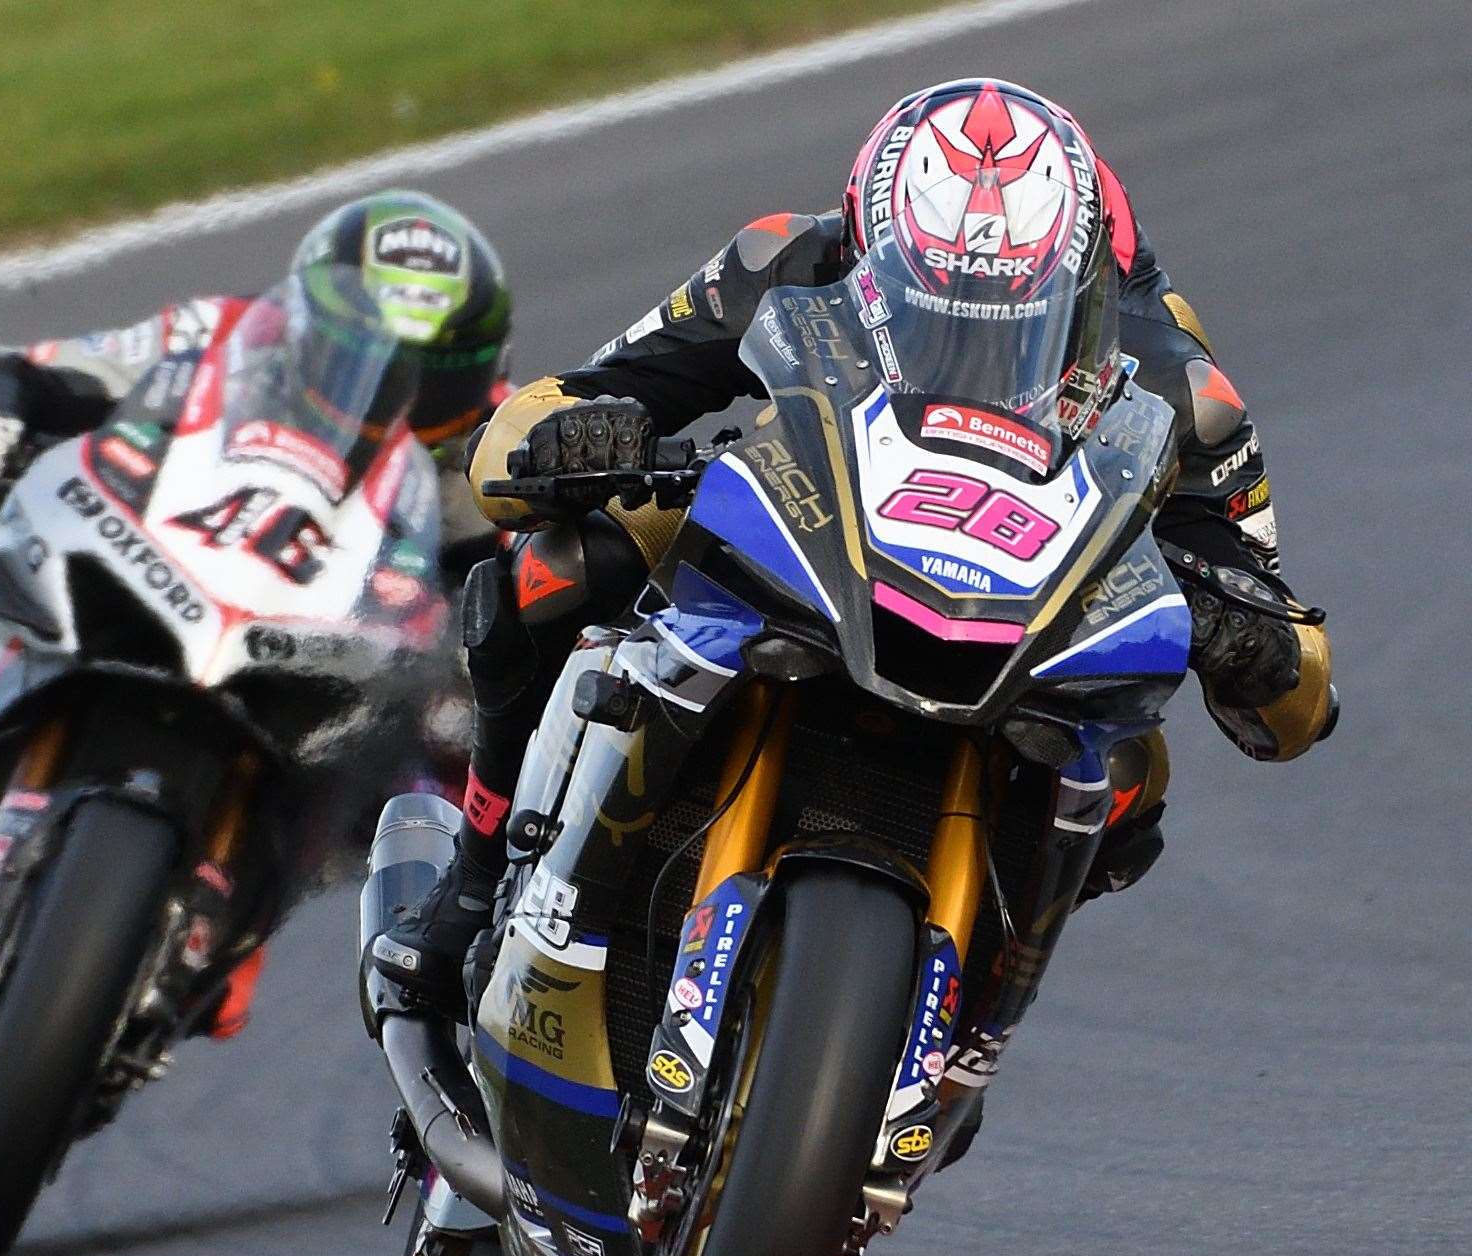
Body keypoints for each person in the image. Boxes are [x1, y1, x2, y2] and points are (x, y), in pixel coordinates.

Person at [374, 79, 1337, 1036]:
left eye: (1009, 323)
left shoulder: (1181, 382)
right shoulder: (783, 257)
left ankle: (967, 1026)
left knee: (1131, 771)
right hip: (815, 531)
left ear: (1081, 290)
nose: (969, 343)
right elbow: (522, 430)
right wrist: (581, 439)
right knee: (553, 571)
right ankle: (476, 880)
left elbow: (1295, 692)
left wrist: (1250, 639)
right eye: (933, 306)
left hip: (1036, 614)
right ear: (871, 250)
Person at [0, 189, 512, 1038]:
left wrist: (485, 660)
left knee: (442, 776)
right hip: (163, 563)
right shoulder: (217, 336)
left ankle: (228, 936)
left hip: (334, 657)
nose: (395, 393)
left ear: (481, 371)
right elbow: (17, 369)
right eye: (364, 348)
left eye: (434, 378)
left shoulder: (500, 449)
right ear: (308, 317)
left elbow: (540, 586)